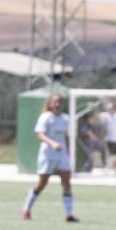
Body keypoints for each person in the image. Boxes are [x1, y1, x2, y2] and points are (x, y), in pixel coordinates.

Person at [23, 91, 78, 221]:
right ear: (50, 103)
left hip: (62, 155)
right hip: (47, 154)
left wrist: (68, 151)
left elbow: (66, 136)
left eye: (60, 101)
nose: (58, 104)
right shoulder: (45, 117)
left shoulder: (65, 118)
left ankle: (69, 214)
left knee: (66, 182)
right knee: (42, 183)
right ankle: (26, 209)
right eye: (55, 101)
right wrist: (52, 143)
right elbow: (40, 134)